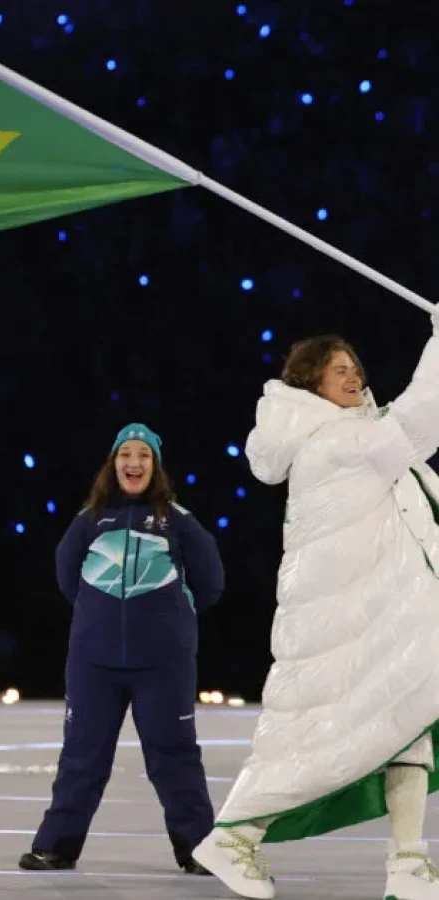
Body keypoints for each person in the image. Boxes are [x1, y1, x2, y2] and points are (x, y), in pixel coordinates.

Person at [192, 326, 439, 900]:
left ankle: (408, 862)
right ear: (311, 385)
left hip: (383, 621)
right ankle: (233, 838)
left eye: (356, 367)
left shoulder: (361, 439)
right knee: (314, 745)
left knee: (406, 730)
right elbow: (419, 421)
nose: (355, 377)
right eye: (339, 370)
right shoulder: (337, 444)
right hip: (345, 631)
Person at [19, 423, 226, 875]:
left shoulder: (179, 521)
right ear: (113, 464)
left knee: (174, 756)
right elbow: (67, 576)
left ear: (156, 465)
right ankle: (56, 847)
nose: (134, 463)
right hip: (94, 663)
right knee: (82, 756)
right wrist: (101, 616)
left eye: (143, 455)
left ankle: (199, 849)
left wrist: (172, 615)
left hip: (163, 665)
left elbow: (211, 582)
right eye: (126, 455)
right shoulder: (88, 521)